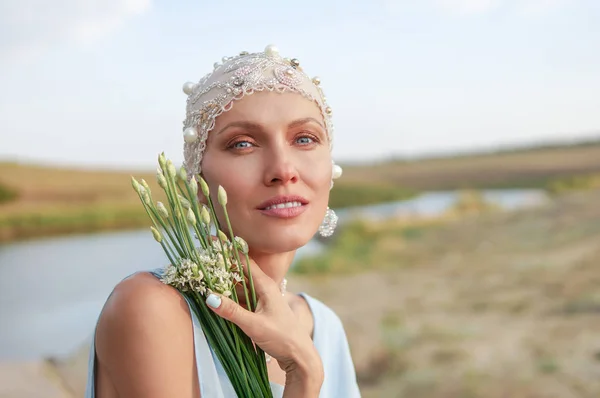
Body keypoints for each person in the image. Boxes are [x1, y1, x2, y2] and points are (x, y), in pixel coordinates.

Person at [84, 44, 361, 397]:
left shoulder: (324, 326)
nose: (283, 170)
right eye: (243, 144)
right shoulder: (153, 309)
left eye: (304, 138)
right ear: (198, 182)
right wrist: (303, 377)